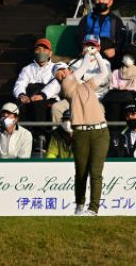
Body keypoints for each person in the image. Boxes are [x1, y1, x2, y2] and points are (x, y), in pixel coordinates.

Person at [54, 62, 110, 214]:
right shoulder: (66, 86)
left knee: (96, 172)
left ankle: (93, 209)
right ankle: (79, 205)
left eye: (63, 70)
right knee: (81, 172)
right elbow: (82, 68)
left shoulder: (87, 85)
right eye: (58, 73)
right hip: (81, 133)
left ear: (68, 69)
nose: (62, 74)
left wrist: (96, 54)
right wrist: (88, 53)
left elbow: (104, 72)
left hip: (101, 132)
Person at [13, 37, 61, 123]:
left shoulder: (56, 67)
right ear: (34, 52)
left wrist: (43, 95)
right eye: (38, 49)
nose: (41, 52)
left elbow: (56, 84)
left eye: (45, 49)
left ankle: (40, 132)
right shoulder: (27, 69)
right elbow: (20, 83)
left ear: (50, 53)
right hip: (30, 96)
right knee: (18, 104)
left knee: (38, 103)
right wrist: (21, 95)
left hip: (48, 98)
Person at [104, 48, 136, 122]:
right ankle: (114, 130)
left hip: (133, 98)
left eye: (130, 56)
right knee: (114, 106)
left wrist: (130, 89)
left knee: (126, 100)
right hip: (118, 97)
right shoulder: (116, 72)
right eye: (126, 55)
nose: (127, 58)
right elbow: (112, 87)